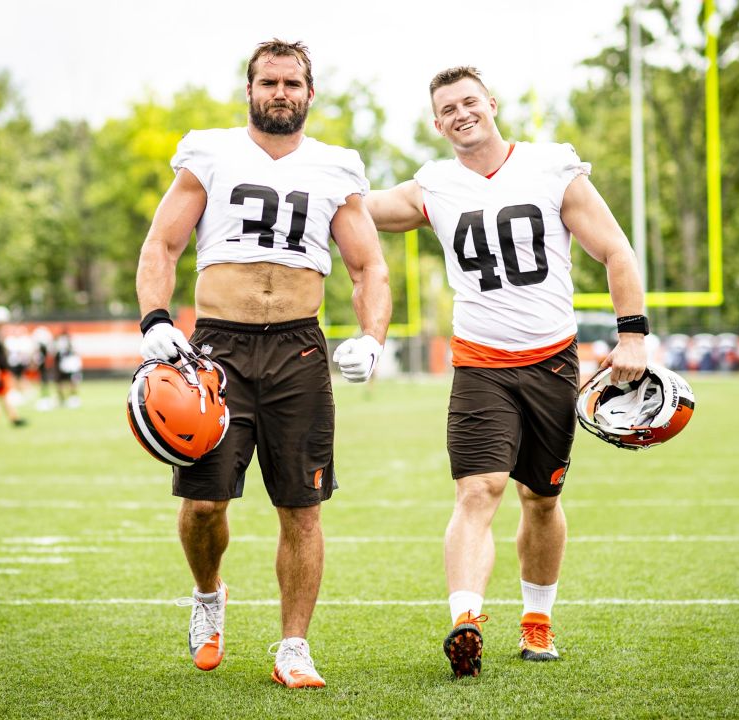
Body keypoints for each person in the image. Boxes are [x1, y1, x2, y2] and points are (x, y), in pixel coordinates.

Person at [365, 66, 648, 677]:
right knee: (479, 490)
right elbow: (358, 211)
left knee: (540, 498)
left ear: (491, 103)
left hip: (551, 361)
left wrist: (633, 335)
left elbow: (616, 249)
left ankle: (537, 621)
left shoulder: (550, 167)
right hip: (479, 364)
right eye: (448, 108)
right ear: (436, 123)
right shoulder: (432, 185)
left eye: (470, 101)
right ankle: (466, 619)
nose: (462, 113)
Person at [135, 38, 391, 689]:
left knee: (302, 508)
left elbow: (368, 267)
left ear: (310, 93)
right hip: (218, 347)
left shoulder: (337, 166)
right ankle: (207, 596)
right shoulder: (210, 152)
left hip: (299, 350)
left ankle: (294, 646)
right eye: (269, 82)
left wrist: (372, 336)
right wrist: (156, 320)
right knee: (203, 505)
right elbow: (162, 245)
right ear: (249, 90)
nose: (281, 93)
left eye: (292, 83)